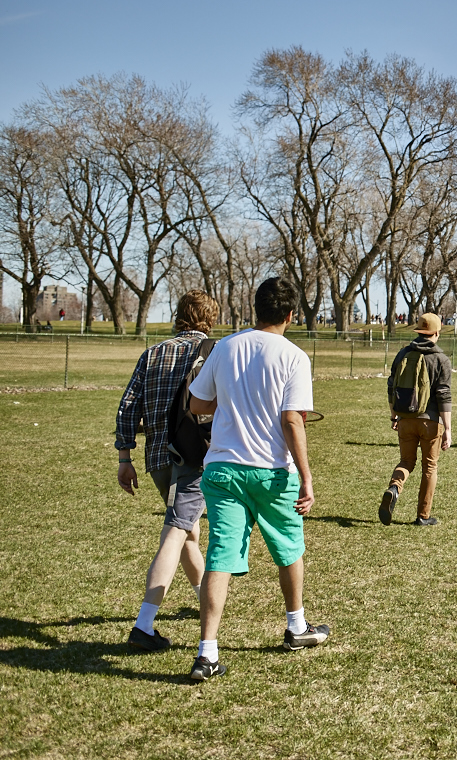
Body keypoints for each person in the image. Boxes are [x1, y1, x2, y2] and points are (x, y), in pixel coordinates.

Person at [186, 277, 329, 682]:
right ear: (290, 315)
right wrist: (306, 477)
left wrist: (232, 399)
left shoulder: (225, 346)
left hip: (223, 468)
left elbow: (197, 403)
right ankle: (296, 625)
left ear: (255, 308)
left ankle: (207, 652)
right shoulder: (295, 357)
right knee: (288, 548)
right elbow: (291, 420)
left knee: (220, 555)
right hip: (270, 472)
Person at [115, 290, 220, 652]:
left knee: (188, 530)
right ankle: (144, 624)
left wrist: (124, 457)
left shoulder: (153, 353)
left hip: (157, 458)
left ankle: (205, 597)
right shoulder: (211, 352)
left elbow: (128, 406)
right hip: (192, 458)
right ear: (210, 318)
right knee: (176, 531)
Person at [382, 311, 454, 524]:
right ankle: (423, 516)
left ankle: (394, 487)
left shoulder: (403, 353)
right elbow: (444, 395)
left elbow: (391, 384)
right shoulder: (441, 359)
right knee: (429, 467)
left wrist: (394, 415)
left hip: (405, 418)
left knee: (406, 461)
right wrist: (447, 428)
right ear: (437, 333)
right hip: (430, 421)